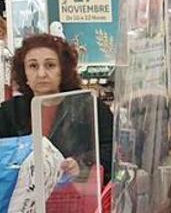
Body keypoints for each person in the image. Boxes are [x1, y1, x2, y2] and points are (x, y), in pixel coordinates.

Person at [0, 34, 113, 182]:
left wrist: (82, 164)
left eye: (50, 65)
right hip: (25, 200)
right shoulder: (9, 113)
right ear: (24, 72)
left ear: (63, 70)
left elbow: (112, 149)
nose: (41, 74)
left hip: (77, 196)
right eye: (33, 66)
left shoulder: (89, 106)